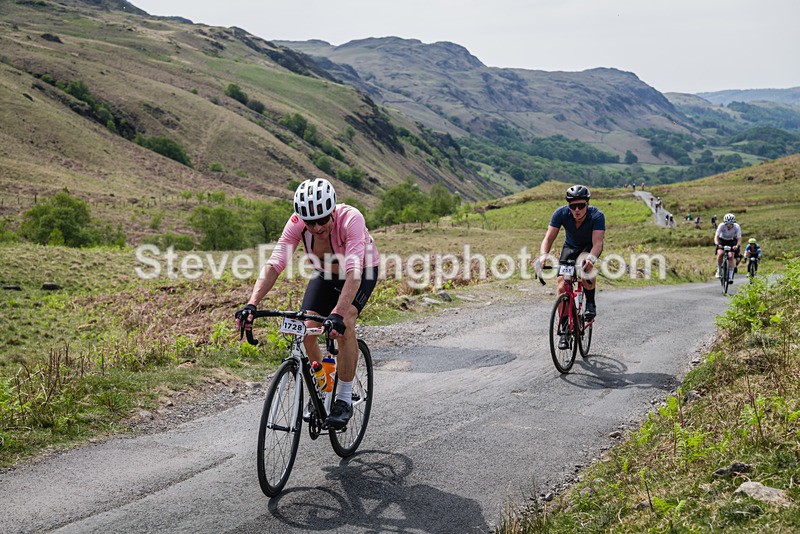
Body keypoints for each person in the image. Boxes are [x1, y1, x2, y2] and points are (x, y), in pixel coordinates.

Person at [235, 178, 380, 429]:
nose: (317, 227)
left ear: (333, 211)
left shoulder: (351, 219)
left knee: (344, 323)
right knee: (307, 331)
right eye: (310, 222)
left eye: (323, 220)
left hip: (360, 273)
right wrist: (252, 303)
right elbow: (275, 263)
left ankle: (344, 399)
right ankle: (325, 387)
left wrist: (337, 313)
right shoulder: (297, 224)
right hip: (325, 275)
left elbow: (354, 271)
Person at [536, 185, 605, 349]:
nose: (577, 210)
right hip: (570, 248)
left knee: (585, 268)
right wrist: (543, 255)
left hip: (588, 248)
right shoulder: (560, 214)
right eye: (573, 206)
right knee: (562, 284)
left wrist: (591, 259)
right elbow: (548, 238)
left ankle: (590, 303)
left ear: (587, 203)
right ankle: (565, 329)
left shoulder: (597, 216)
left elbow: (598, 243)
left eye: (581, 205)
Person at [714, 213, 742, 281]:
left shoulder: (737, 227)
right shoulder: (721, 225)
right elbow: (716, 236)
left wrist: (737, 245)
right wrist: (717, 244)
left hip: (731, 241)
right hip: (722, 240)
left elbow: (739, 238)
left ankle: (730, 276)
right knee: (720, 253)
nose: (729, 226)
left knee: (731, 256)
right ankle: (719, 270)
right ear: (724, 223)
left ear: (734, 223)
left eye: (731, 224)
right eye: (727, 224)